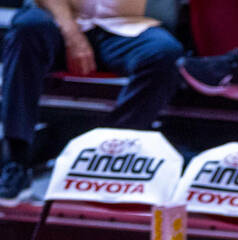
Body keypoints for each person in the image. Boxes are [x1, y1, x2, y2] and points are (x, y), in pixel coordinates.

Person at [0, 0, 183, 198]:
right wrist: (72, 35)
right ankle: (16, 158)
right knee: (27, 28)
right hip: (59, 23)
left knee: (164, 52)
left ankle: (108, 151)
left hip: (124, 27)